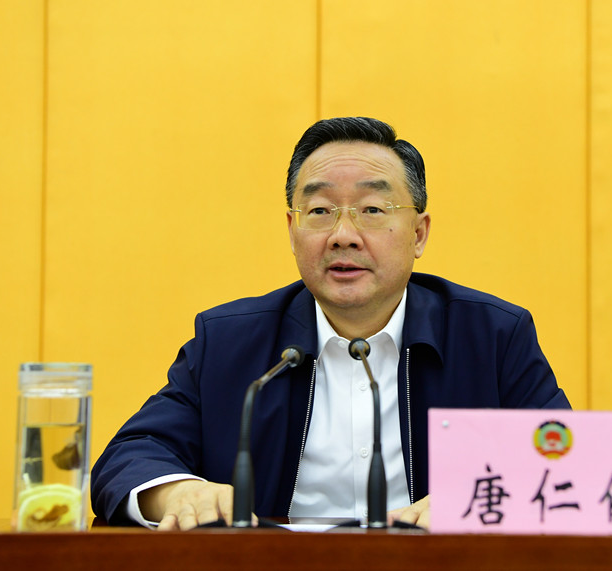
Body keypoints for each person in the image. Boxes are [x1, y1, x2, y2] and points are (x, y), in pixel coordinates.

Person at [91, 117, 570, 530]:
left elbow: (566, 462)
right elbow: (131, 454)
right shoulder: (229, 341)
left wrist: (473, 502)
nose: (343, 235)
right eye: (319, 211)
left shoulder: (491, 336)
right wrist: (179, 493)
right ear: (292, 230)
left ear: (419, 234)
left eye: (373, 210)